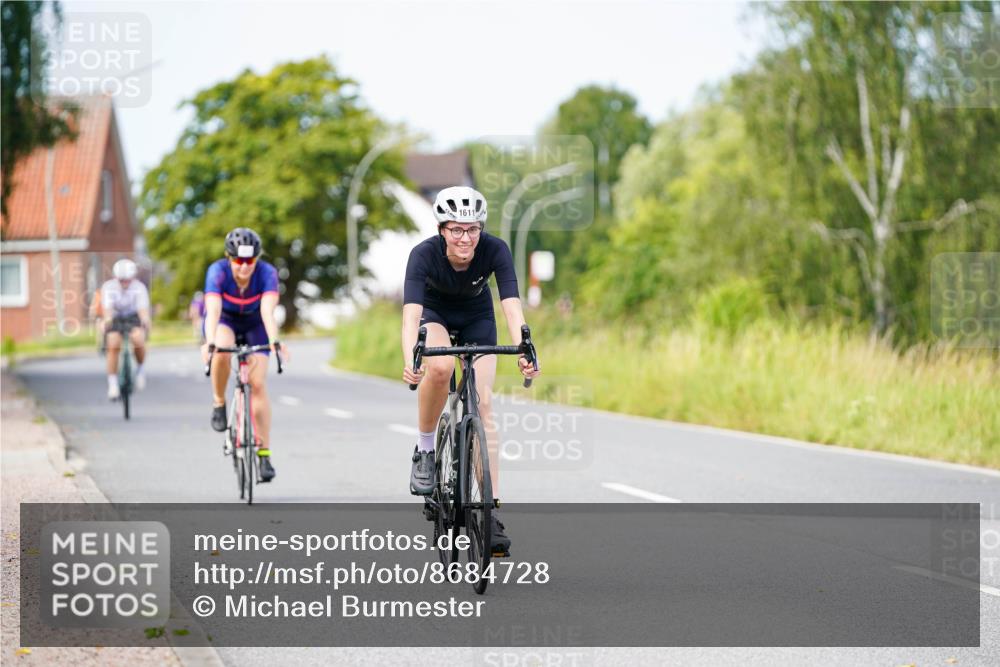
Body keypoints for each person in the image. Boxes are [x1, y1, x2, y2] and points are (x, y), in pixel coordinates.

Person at [401, 185, 540, 556]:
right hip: (435, 315)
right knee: (442, 367)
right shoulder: (423, 255)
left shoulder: (495, 250)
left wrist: (524, 348)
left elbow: (511, 304)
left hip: (478, 317)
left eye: (473, 229)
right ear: (443, 229)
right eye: (457, 229)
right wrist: (410, 358)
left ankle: (489, 511)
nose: (466, 237)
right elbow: (411, 316)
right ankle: (426, 449)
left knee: (484, 402)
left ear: (481, 228)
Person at [200, 228, 288, 482]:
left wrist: (274, 340)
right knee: (221, 351)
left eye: (250, 261)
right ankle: (219, 401)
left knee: (258, 384)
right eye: (239, 260)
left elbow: (268, 312)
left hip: (255, 324)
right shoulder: (217, 272)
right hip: (226, 321)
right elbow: (213, 311)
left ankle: (264, 454)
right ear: (229, 258)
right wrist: (210, 342)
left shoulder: (267, 273)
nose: (245, 267)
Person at [91, 258, 151, 399]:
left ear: (132, 278)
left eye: (127, 280)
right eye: (121, 280)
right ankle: (113, 384)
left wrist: (145, 320)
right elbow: (108, 310)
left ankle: (140, 370)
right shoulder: (109, 287)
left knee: (138, 339)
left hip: (133, 316)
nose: (124, 283)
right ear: (116, 278)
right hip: (116, 317)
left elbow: (142, 310)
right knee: (113, 344)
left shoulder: (139, 288)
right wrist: (107, 321)